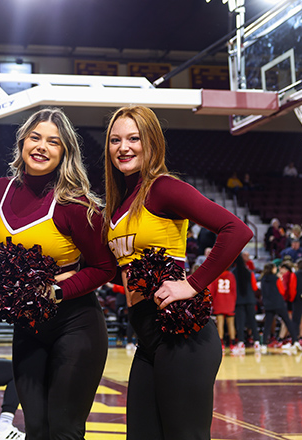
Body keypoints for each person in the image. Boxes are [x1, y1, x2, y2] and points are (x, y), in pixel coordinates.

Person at [103, 106, 252, 440]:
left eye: (133, 138)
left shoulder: (163, 188)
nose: (123, 147)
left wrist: (193, 284)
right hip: (147, 338)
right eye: (115, 140)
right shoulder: (119, 202)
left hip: (182, 337)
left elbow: (236, 229)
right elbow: (125, 271)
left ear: (151, 142)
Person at [0, 108, 116, 439]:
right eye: (35, 137)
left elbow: (106, 266)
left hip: (75, 324)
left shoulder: (74, 205)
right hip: (28, 327)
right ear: (21, 142)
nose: (41, 147)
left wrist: (61, 290)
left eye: (53, 142)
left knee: (64, 429)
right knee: (36, 428)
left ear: (64, 154)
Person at [259, 262, 298, 350]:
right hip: (278, 303)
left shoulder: (263, 279)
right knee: (287, 321)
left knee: (267, 324)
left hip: (268, 304)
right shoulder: (276, 278)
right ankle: (295, 341)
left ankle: (264, 344)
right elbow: (282, 291)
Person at [231, 254, 260, 353]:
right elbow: (255, 287)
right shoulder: (249, 272)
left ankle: (241, 342)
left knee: (240, 322)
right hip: (250, 299)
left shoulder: (232, 273)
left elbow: (233, 289)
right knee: (252, 321)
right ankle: (257, 342)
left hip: (239, 301)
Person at [207, 268, 236, 352]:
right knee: (231, 324)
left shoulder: (216, 275)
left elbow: (212, 291)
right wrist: (233, 302)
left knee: (220, 324)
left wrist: (212, 303)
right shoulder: (231, 275)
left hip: (219, 301)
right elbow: (234, 290)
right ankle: (232, 344)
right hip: (230, 301)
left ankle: (221, 345)